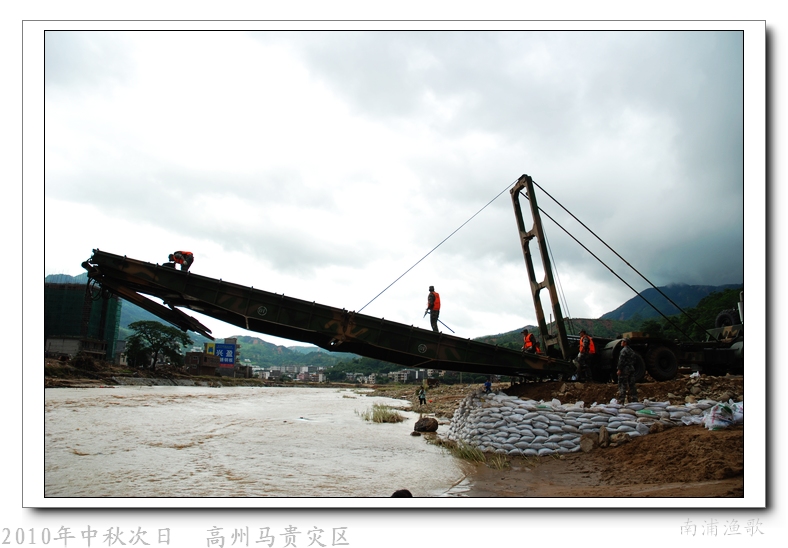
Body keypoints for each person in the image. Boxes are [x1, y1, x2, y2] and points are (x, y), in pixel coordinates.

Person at [617, 338, 639, 403]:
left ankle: (621, 399)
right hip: (631, 368)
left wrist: (619, 369)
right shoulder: (631, 351)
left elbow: (621, 361)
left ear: (625, 343)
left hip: (624, 369)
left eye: (622, 341)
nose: (621, 342)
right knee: (632, 384)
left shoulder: (623, 351)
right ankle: (634, 399)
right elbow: (634, 360)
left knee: (622, 384)